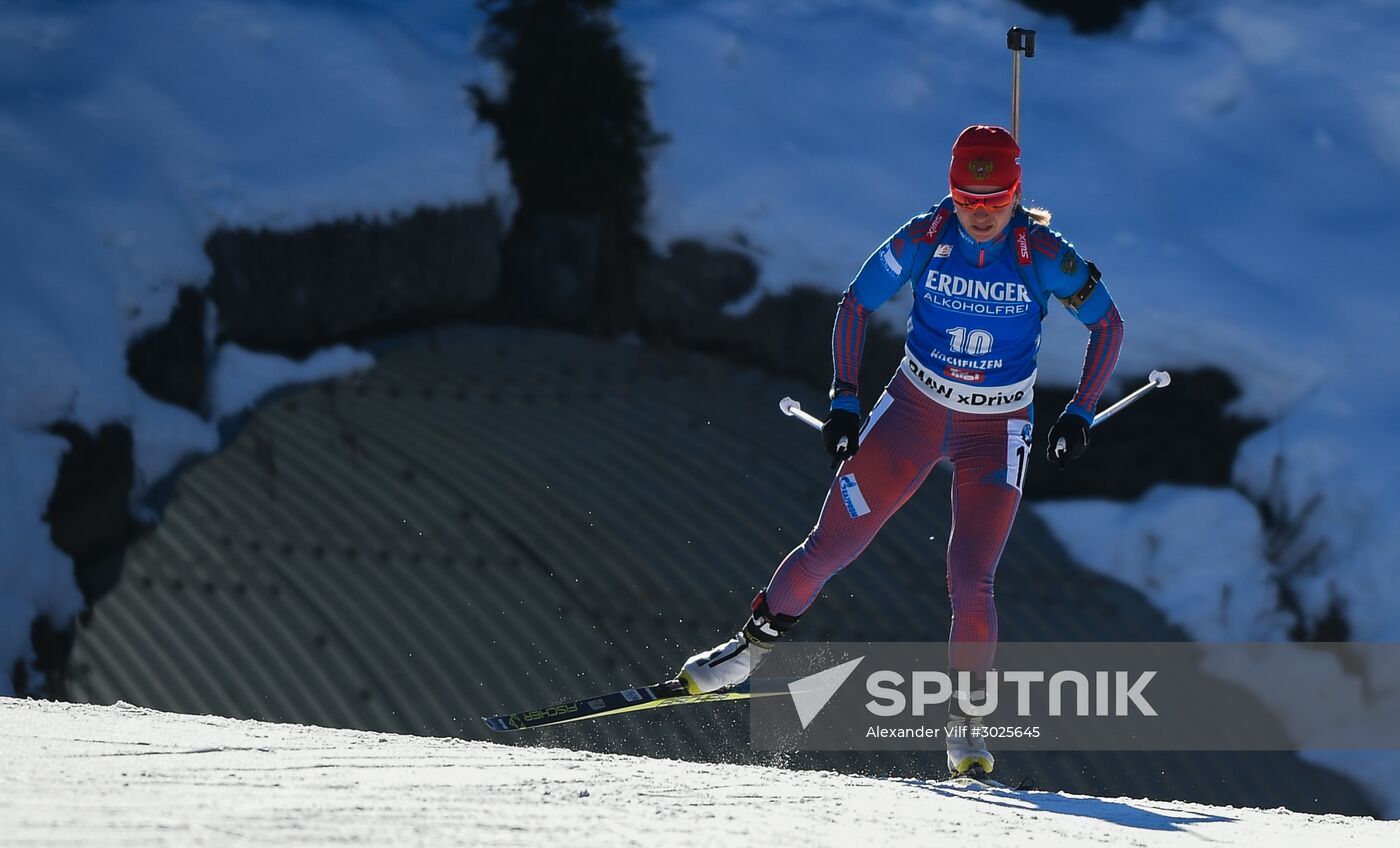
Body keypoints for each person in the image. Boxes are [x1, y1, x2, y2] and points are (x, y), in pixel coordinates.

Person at [677, 125, 1124, 777]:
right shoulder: (925, 235)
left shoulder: (1043, 252)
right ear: (950, 193)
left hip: (997, 428)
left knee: (972, 578)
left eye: (994, 202)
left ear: (1017, 192)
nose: (979, 215)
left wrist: (1080, 410)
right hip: (917, 408)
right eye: (967, 200)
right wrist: (845, 398)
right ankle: (749, 650)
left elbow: (1108, 324)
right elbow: (856, 303)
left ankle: (966, 722)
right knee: (831, 545)